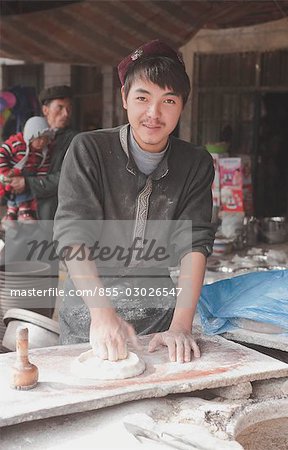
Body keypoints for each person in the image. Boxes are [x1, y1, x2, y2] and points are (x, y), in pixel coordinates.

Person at [53, 40, 215, 363]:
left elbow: (193, 244)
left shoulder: (195, 163)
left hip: (158, 324)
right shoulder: (89, 151)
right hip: (88, 319)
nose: (154, 114)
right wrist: (101, 315)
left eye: (168, 100)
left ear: (182, 105)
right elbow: (72, 236)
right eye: (143, 98)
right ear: (125, 98)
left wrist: (181, 326)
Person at [9, 85, 76, 220]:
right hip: (21, 211)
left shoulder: (74, 140)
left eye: (69, 108)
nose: (66, 114)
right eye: (60, 107)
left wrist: (27, 183)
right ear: (45, 110)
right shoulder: (27, 134)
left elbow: (67, 177)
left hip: (52, 213)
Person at [0, 116, 53, 226]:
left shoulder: (43, 152)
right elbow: (2, 154)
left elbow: (43, 168)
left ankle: (19, 213)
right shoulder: (17, 144)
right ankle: (14, 213)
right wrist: (4, 172)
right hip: (10, 175)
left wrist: (38, 181)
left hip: (28, 179)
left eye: (45, 138)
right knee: (14, 192)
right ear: (29, 136)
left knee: (28, 187)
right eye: (38, 138)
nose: (42, 142)